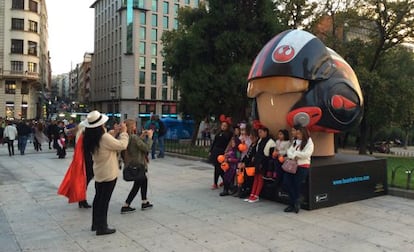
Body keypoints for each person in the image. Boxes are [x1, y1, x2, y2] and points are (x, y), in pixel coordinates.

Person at [83, 110, 128, 236]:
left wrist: (115, 132)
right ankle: (102, 227)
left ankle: (95, 224)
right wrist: (124, 133)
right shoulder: (104, 137)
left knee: (98, 199)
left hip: (99, 172)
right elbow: (122, 145)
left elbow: (106, 141)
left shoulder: (91, 137)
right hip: (109, 173)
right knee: (104, 201)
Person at [121, 119, 154, 213]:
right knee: (137, 184)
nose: (136, 127)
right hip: (137, 164)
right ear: (131, 127)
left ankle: (145, 201)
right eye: (134, 125)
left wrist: (142, 136)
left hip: (133, 163)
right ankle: (126, 205)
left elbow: (135, 145)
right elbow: (146, 148)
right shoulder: (134, 137)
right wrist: (150, 137)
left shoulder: (127, 136)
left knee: (143, 180)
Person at [283, 126, 314, 213]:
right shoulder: (295, 141)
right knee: (287, 183)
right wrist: (294, 155)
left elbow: (307, 154)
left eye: (299, 133)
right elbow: (289, 151)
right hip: (292, 165)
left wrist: (296, 153)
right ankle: (295, 201)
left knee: (296, 185)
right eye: (297, 133)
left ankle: (294, 204)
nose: (297, 135)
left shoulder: (309, 142)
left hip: (302, 166)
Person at [245, 125, 275, 203]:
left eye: (261, 132)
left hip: (264, 162)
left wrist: (263, 163)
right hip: (257, 161)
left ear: (266, 132)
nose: (259, 134)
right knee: (256, 177)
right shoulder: (260, 140)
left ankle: (256, 195)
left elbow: (270, 156)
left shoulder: (270, 142)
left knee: (260, 178)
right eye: (259, 132)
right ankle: (252, 194)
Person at [209, 116, 232, 189]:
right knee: (217, 167)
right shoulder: (219, 133)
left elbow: (229, 143)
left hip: (222, 152)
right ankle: (215, 183)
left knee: (221, 168)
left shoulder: (229, 134)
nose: (223, 127)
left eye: (225, 126)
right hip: (216, 151)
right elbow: (214, 142)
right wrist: (211, 150)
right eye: (222, 125)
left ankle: (226, 181)